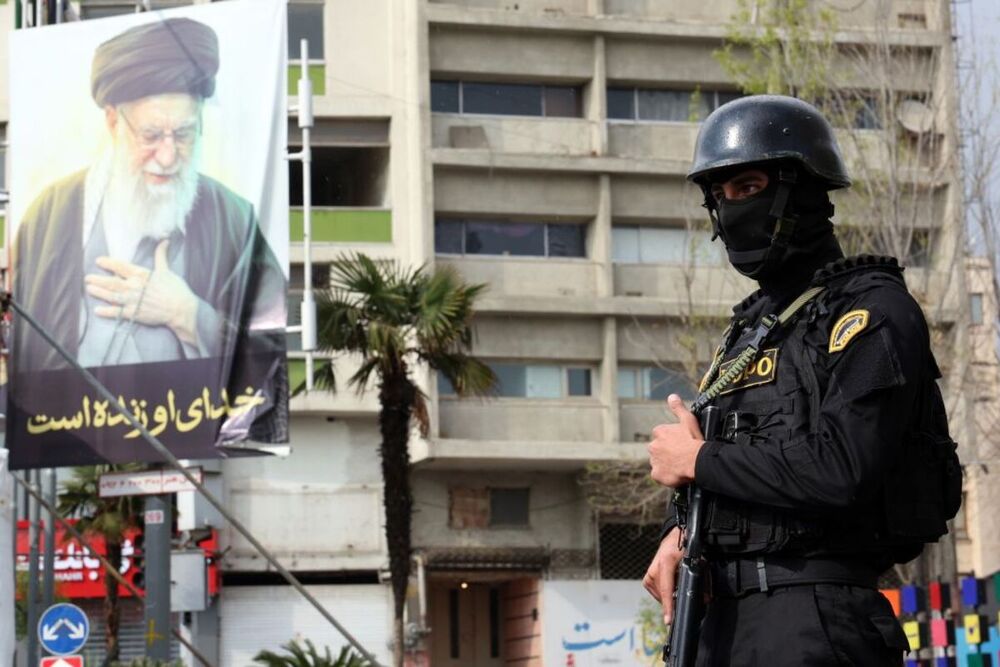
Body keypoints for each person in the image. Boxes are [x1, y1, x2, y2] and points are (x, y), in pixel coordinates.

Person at [644, 95, 960, 665]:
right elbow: (727, 456)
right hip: (721, 620)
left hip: (816, 616)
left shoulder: (870, 311)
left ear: (805, 188)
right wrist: (677, 531)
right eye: (720, 196)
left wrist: (698, 460)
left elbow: (842, 468)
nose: (732, 209)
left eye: (748, 187)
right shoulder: (749, 331)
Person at [13, 17, 286, 372]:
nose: (168, 157)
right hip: (72, 411)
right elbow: (19, 344)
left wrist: (188, 314)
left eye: (184, 134)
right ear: (113, 122)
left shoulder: (233, 220)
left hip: (185, 409)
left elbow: (271, 349)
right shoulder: (49, 215)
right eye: (151, 136)